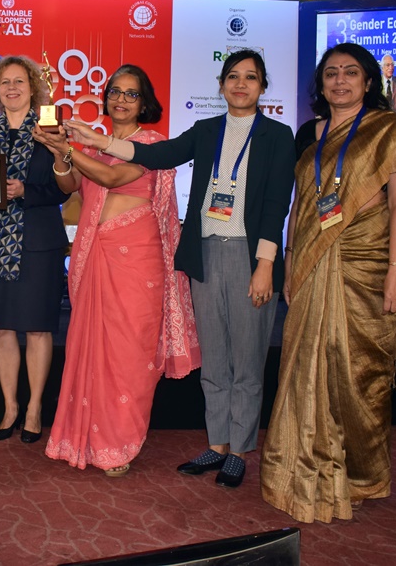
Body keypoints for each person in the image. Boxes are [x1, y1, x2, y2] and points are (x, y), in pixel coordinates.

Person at [60, 50, 294, 487]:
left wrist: (265, 263)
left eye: (250, 77)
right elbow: (157, 154)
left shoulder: (278, 135)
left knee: (246, 362)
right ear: (221, 85)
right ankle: (217, 445)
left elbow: (276, 204)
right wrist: (98, 142)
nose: (240, 85)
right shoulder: (206, 130)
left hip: (249, 257)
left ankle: (239, 450)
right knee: (216, 362)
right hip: (203, 254)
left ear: (262, 87)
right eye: (233, 77)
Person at [260, 43, 396, 523]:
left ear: (368, 81)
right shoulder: (309, 134)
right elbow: (300, 205)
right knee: (302, 366)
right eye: (331, 73)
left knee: (359, 375)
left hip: (366, 264)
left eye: (351, 72)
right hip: (312, 262)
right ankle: (298, 471)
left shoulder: (388, 130)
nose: (340, 81)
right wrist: (291, 260)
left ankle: (359, 475)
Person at [33, 65, 201, 476]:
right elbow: (70, 185)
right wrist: (59, 153)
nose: (121, 100)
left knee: (129, 353)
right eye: (115, 92)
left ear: (144, 103)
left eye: (131, 94)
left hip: (137, 259)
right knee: (90, 349)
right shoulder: (92, 144)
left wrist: (71, 150)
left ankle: (118, 444)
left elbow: (110, 177)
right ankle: (85, 439)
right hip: (96, 254)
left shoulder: (151, 145)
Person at [0, 56, 68, 443]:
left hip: (38, 245)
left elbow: (64, 188)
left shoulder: (50, 131)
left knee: (38, 328)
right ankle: (10, 407)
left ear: (33, 88)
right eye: (5, 82)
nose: (11, 88)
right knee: (2, 329)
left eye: (19, 81)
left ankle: (34, 409)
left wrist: (25, 190)